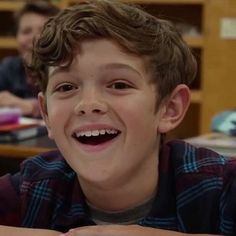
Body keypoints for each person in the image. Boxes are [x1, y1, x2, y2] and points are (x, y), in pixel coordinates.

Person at [0, 0, 236, 235]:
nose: (88, 105)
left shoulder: (220, 185)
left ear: (170, 108)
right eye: (66, 87)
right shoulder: (30, 188)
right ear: (47, 113)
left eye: (119, 84)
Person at [0, 0, 59, 117]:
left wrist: (32, 107)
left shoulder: (66, 69)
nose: (34, 39)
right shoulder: (8, 67)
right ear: (16, 36)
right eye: (26, 31)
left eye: (43, 31)